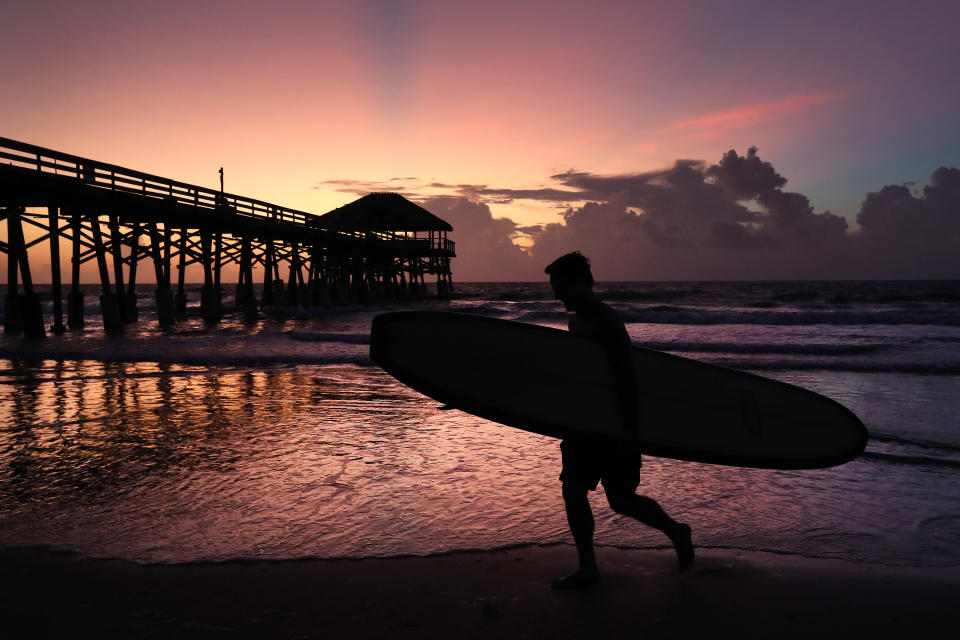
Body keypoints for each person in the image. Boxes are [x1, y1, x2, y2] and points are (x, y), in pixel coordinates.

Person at [545, 251, 694, 589]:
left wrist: (629, 430)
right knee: (573, 489)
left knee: (621, 499)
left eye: (559, 286)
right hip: (585, 424)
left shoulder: (605, 321)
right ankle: (588, 569)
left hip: (612, 427)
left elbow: (627, 378)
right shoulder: (577, 321)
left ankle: (676, 531)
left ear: (580, 283)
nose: (556, 295)